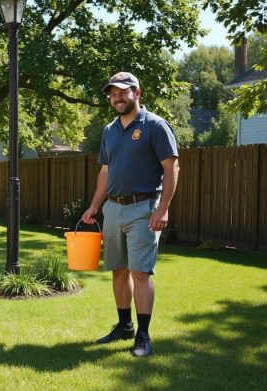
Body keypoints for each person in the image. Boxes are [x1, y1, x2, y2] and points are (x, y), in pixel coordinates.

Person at [81, 72, 179, 357]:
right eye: (112, 94)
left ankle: (143, 335)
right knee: (118, 270)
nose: (117, 97)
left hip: (144, 208)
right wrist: (94, 206)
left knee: (140, 272)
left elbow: (172, 167)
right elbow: (105, 171)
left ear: (137, 93)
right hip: (113, 208)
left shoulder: (155, 126)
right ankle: (124, 326)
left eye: (123, 92)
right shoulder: (109, 130)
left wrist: (163, 209)